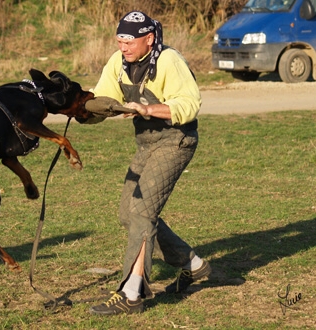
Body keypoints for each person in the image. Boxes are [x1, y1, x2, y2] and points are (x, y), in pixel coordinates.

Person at [86, 11, 211, 315]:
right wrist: (75, 105)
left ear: (149, 39)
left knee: (142, 212)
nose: (123, 47)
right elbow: (102, 99)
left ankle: (132, 293)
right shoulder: (118, 64)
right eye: (119, 41)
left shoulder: (169, 60)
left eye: (129, 41)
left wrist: (148, 109)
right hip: (146, 144)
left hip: (176, 141)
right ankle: (193, 264)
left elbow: (190, 104)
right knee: (129, 213)